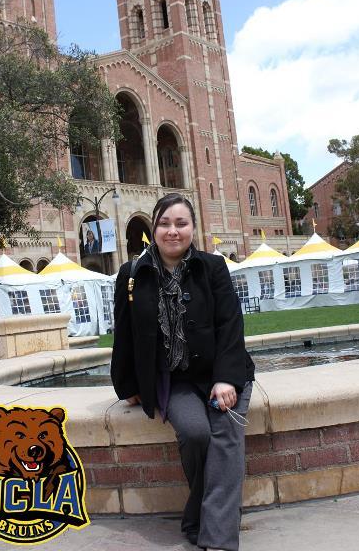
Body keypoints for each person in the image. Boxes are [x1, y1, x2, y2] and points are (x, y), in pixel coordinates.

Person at [111, 193, 255, 551]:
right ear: (154, 227)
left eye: (181, 223)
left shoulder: (213, 267)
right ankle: (197, 518)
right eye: (164, 223)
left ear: (193, 228)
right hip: (173, 380)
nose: (172, 231)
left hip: (222, 372)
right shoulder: (132, 275)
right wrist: (127, 383)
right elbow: (124, 333)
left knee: (225, 438)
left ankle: (216, 539)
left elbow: (230, 325)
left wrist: (225, 378)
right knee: (194, 433)